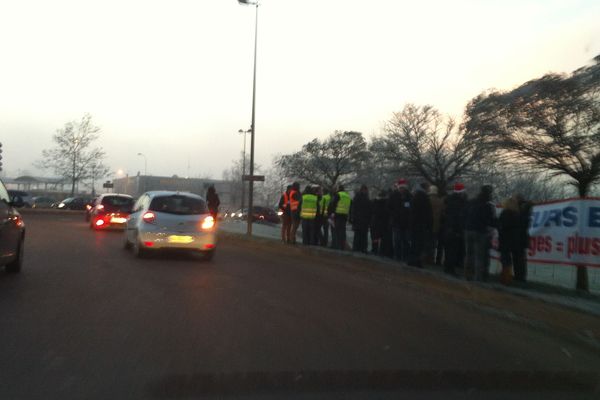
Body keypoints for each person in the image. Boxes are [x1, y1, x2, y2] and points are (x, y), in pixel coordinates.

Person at [464, 185, 496, 281]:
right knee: (479, 255)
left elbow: (464, 214)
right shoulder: (487, 205)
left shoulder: (471, 202)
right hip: (480, 231)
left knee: (468, 254)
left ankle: (467, 275)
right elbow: (490, 220)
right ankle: (478, 277)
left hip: (468, 229)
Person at [442, 183, 468, 276]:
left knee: (448, 249)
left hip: (447, 227)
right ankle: (450, 269)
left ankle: (447, 267)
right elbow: (459, 217)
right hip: (455, 229)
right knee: (453, 250)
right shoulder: (460, 202)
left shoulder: (448, 200)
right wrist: (458, 230)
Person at [498, 196, 521, 285]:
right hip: (513, 239)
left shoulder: (505, 213)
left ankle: (505, 278)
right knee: (508, 259)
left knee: (504, 259)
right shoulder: (516, 214)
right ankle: (508, 277)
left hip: (505, 239)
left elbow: (503, 225)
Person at [408, 182, 432, 268]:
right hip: (421, 224)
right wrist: (429, 224)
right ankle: (416, 261)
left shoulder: (415, 196)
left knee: (414, 243)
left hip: (414, 223)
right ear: (425, 188)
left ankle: (411, 260)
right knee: (419, 244)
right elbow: (427, 213)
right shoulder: (424, 197)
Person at [387, 179, 412, 262]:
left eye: (403, 188)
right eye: (400, 188)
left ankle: (405, 257)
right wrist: (393, 215)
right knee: (397, 240)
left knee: (405, 241)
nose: (402, 189)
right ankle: (397, 256)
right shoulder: (394, 196)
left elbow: (412, 208)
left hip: (406, 223)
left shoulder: (409, 196)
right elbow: (389, 207)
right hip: (396, 222)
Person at [514, 194, 533, 282]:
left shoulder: (521, 211)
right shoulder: (526, 211)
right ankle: (520, 276)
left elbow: (521, 223)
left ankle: (520, 276)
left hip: (519, 237)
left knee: (519, 258)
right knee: (520, 258)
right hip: (522, 237)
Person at [328, 184, 351, 250]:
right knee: (343, 231)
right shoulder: (347, 196)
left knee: (337, 230)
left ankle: (337, 245)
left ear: (339, 189)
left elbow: (333, 204)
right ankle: (342, 246)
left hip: (337, 215)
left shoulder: (338, 195)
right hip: (345, 215)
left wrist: (332, 213)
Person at [349, 185, 371, 253]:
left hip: (361, 220)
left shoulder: (358, 197)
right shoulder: (365, 198)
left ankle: (358, 248)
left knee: (360, 235)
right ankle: (360, 248)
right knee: (360, 235)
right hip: (361, 220)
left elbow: (353, 208)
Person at [427, 185, 444, 265]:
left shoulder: (427, 200)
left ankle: (426, 258)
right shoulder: (440, 201)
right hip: (437, 225)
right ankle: (432, 259)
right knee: (433, 244)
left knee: (426, 242)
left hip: (427, 224)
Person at [370, 190, 390, 255]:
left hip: (375, 222)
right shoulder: (387, 202)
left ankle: (374, 250)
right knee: (383, 238)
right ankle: (382, 251)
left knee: (375, 237)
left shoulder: (374, 201)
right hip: (384, 223)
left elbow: (372, 211)